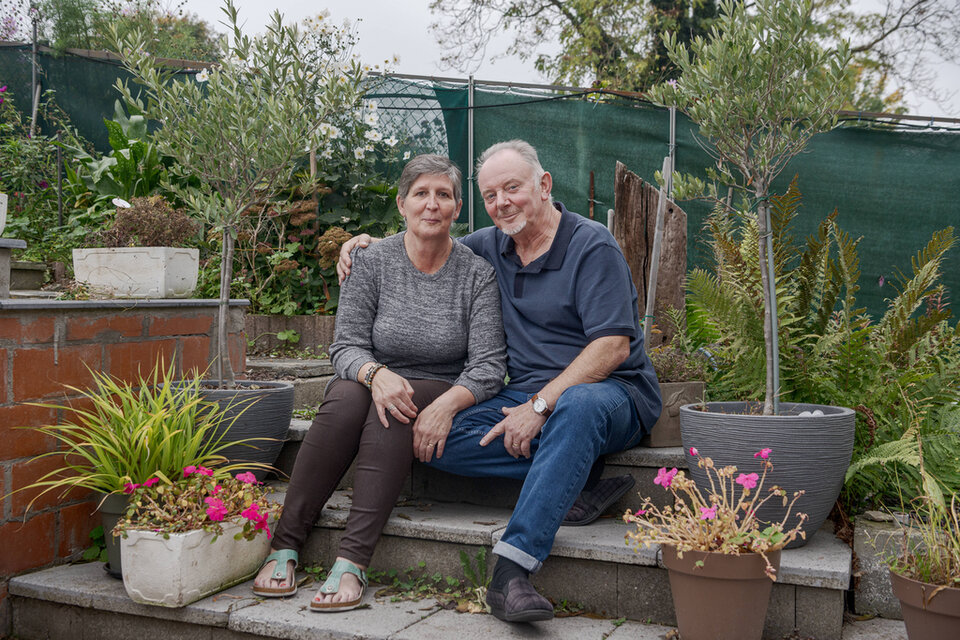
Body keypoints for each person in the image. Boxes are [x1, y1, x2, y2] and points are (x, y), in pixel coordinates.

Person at [338, 140, 662, 623]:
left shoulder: (591, 244)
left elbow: (613, 347)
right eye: (490, 195)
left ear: (544, 185)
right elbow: (426, 237)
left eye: (512, 188)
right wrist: (363, 246)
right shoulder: (488, 246)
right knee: (429, 431)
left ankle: (511, 571)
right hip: (523, 392)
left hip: (612, 392)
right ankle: (573, 473)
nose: (502, 203)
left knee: (576, 407)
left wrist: (540, 406)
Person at [252, 154, 507, 612]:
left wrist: (447, 404)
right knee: (345, 399)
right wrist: (376, 374)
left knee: (395, 405)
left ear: (457, 207)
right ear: (402, 204)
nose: (432, 204)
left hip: (438, 384)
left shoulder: (477, 274)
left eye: (443, 195)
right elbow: (346, 346)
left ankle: (352, 559)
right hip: (371, 376)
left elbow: (488, 366)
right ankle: (285, 544)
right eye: (421, 193)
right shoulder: (370, 260)